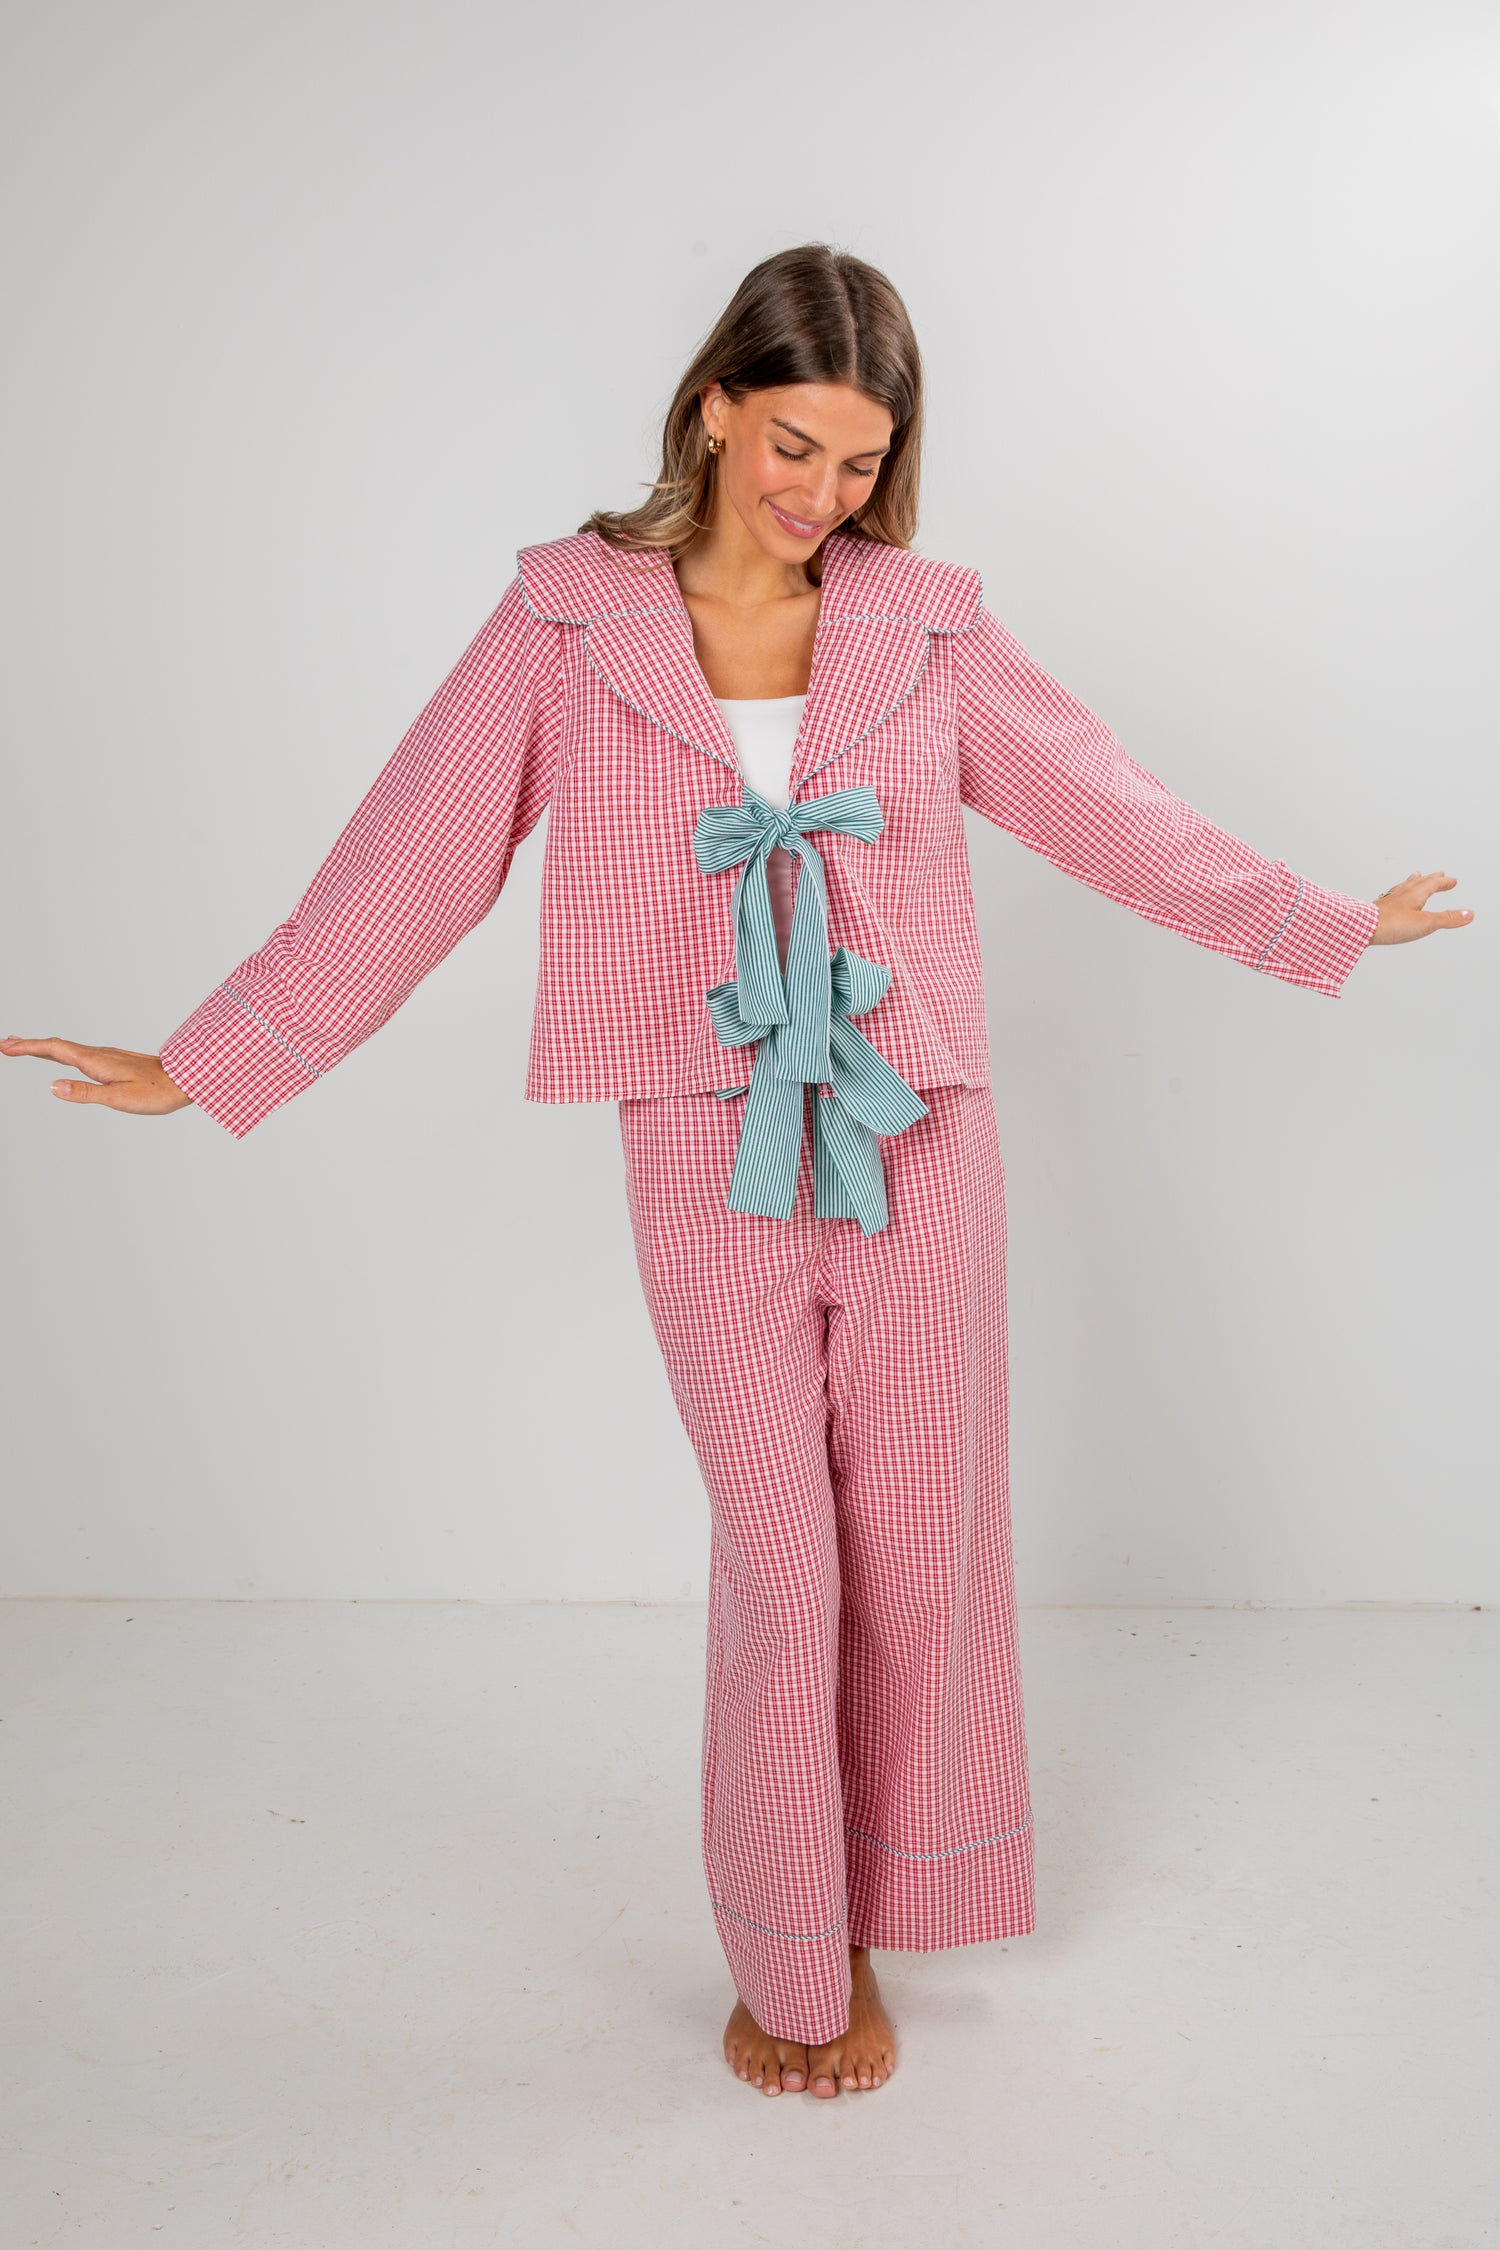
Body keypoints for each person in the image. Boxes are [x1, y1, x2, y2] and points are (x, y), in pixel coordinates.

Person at [1, 243, 1472, 2103]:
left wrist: (1327, 920)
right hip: (695, 1116)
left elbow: (1112, 810)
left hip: (916, 1115)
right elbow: (408, 864)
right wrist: (205, 1058)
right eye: (793, 445)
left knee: (920, 1536)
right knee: (786, 1551)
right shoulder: (563, 620)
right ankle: (790, 1943)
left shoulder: (925, 622)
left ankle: (888, 1894)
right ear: (713, 403)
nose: (821, 495)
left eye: (859, 463)